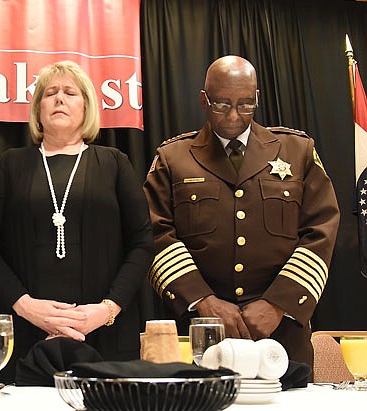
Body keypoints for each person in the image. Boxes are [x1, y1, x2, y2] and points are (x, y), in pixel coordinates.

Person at [143, 55, 340, 366]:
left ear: (257, 98)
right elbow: (154, 234)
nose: (234, 115)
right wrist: (204, 301)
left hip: (281, 333)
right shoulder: (173, 158)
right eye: (222, 104)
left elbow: (321, 230)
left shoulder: (296, 150)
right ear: (204, 100)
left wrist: (278, 303)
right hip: (202, 332)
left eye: (246, 104)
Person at [0, 60, 154, 381]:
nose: (59, 98)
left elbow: (141, 243)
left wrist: (107, 309)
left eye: (70, 92)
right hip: (26, 331)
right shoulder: (10, 164)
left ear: (87, 108)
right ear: (38, 109)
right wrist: (25, 305)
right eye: (50, 93)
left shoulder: (114, 163)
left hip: (103, 333)